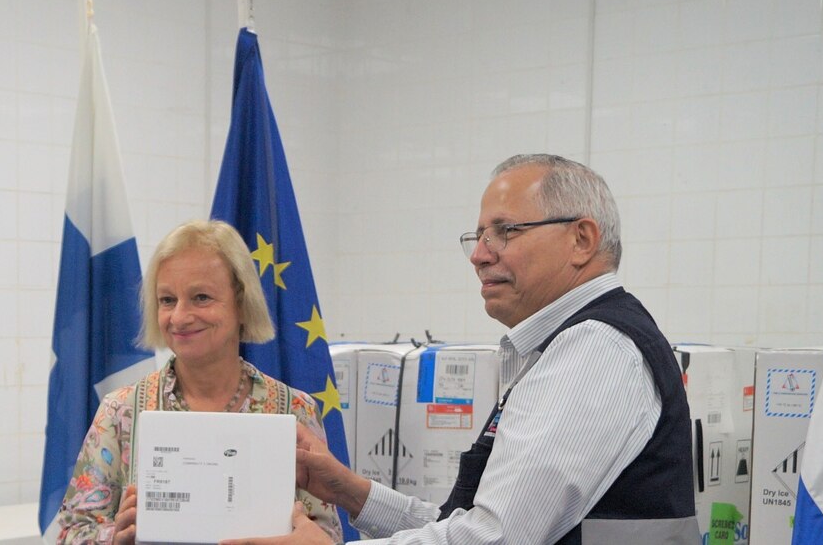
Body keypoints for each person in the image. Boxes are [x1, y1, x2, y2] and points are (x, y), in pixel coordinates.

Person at [282, 154, 699, 544]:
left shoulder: (595, 349)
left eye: (505, 231)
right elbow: (470, 523)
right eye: (478, 236)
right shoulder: (567, 346)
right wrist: (349, 491)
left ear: (581, 239)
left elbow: (495, 536)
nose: (479, 255)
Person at [55, 219, 343, 545]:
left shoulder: (295, 411)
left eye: (201, 297)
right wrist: (115, 537)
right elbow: (70, 533)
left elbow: (328, 535)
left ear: (243, 304)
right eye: (167, 300)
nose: (179, 317)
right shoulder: (120, 412)